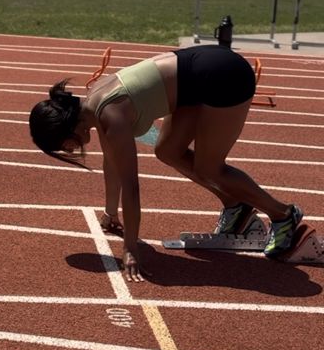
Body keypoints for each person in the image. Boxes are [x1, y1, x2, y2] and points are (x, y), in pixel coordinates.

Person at [28, 44, 304, 282]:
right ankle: (237, 208)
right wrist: (111, 214)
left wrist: (130, 248)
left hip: (223, 76)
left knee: (209, 167)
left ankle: (283, 215)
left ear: (66, 129)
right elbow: (111, 164)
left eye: (61, 146)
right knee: (168, 151)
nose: (66, 150)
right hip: (195, 78)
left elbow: (131, 186)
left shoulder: (110, 116)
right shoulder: (92, 104)